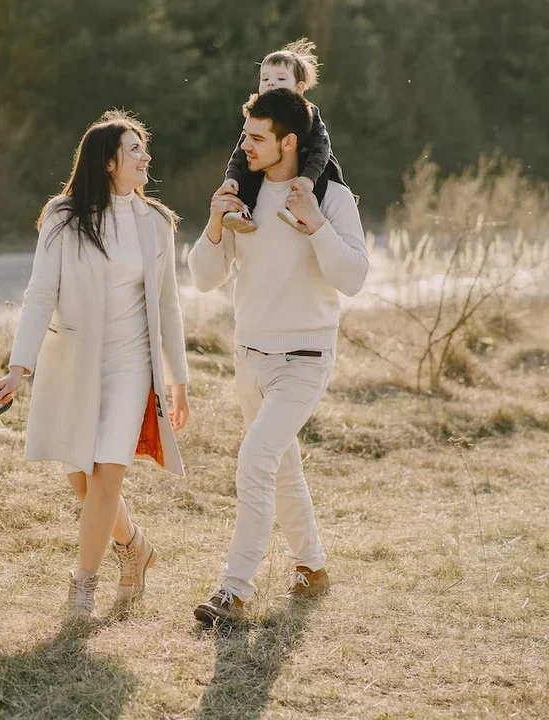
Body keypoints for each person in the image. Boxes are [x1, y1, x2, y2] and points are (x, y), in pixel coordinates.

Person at [0, 110, 190, 623]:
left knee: (107, 473)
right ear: (108, 161)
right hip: (73, 360)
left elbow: (168, 305)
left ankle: (83, 587)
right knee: (81, 478)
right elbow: (39, 293)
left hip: (131, 363)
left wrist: (178, 381)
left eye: (144, 147)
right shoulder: (63, 216)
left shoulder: (156, 223)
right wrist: (18, 368)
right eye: (135, 149)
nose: (146, 157)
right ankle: (135, 545)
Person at [188, 88, 368, 626]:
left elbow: (354, 278)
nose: (244, 146)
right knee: (282, 468)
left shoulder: (330, 195)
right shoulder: (242, 191)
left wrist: (316, 223)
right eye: (246, 135)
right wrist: (215, 222)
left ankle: (234, 591)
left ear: (289, 142)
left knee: (256, 461)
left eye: (256, 138)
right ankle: (312, 567)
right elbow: (203, 278)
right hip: (248, 357)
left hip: (305, 359)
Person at [221, 38, 351, 234]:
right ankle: (244, 211)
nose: (271, 83)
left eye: (281, 79)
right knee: (250, 169)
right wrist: (231, 177)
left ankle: (301, 213)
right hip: (270, 166)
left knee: (321, 175)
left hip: (311, 163)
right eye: (265, 79)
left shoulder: (308, 113)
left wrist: (308, 178)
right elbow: (240, 152)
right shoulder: (257, 114)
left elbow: (321, 147)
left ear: (299, 88)